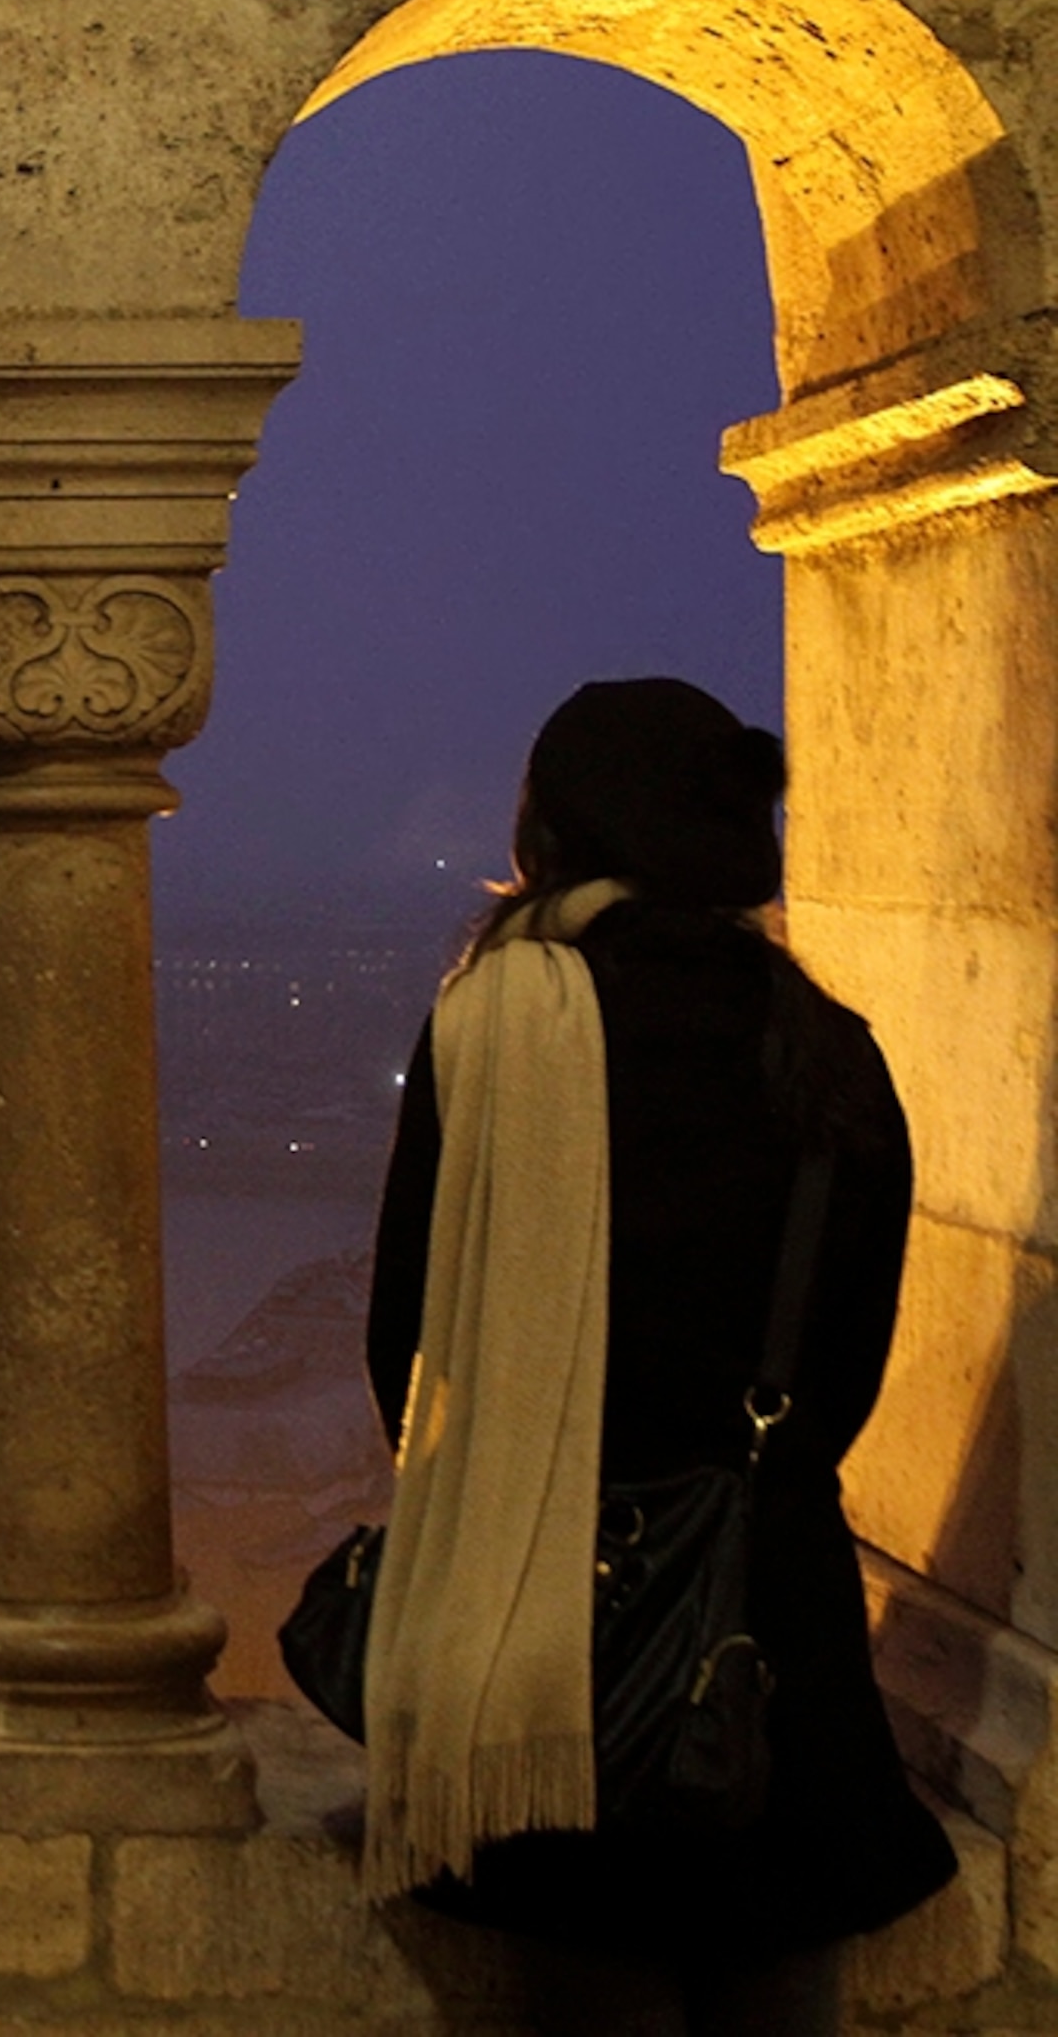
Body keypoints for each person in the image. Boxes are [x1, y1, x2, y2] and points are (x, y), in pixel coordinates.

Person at [360, 678, 956, 2035]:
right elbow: (850, 1365)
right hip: (776, 1631)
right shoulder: (836, 1055)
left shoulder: (492, 1030)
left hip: (554, 1636)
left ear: (557, 832)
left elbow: (408, 1348)